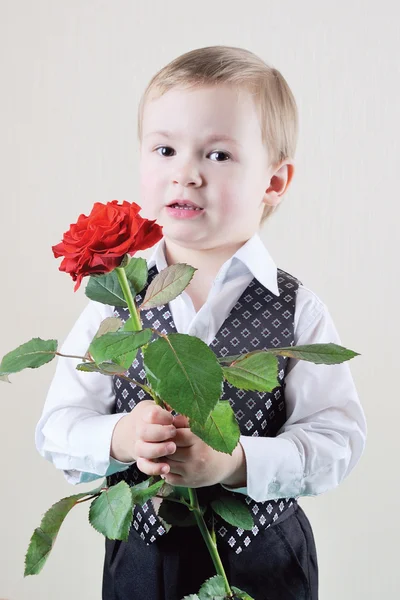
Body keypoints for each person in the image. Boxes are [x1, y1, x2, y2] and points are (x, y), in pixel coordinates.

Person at [35, 46, 367, 600]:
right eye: (165, 149)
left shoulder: (296, 308)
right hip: (142, 563)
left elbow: (337, 442)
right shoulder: (115, 299)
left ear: (274, 182)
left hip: (261, 563)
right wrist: (121, 436)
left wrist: (236, 462)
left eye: (217, 155)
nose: (184, 173)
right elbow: (57, 425)